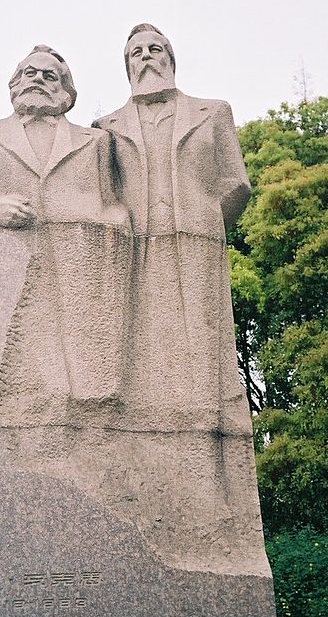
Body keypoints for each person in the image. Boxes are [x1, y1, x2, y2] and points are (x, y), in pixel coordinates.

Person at [0, 46, 131, 422]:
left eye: (49, 76)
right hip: (10, 270)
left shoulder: (95, 142)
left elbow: (116, 208)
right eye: (30, 73)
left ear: (66, 91)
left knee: (85, 388)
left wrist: (99, 234)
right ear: (14, 83)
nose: (38, 81)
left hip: (79, 274)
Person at [93, 23, 251, 434]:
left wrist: (206, 222)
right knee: (138, 339)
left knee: (201, 339)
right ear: (127, 66)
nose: (146, 56)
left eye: (154, 49)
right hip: (132, 247)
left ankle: (205, 419)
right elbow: (99, 193)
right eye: (136, 53)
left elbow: (236, 183)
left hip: (196, 240)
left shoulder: (213, 112)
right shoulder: (103, 127)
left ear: (170, 59)